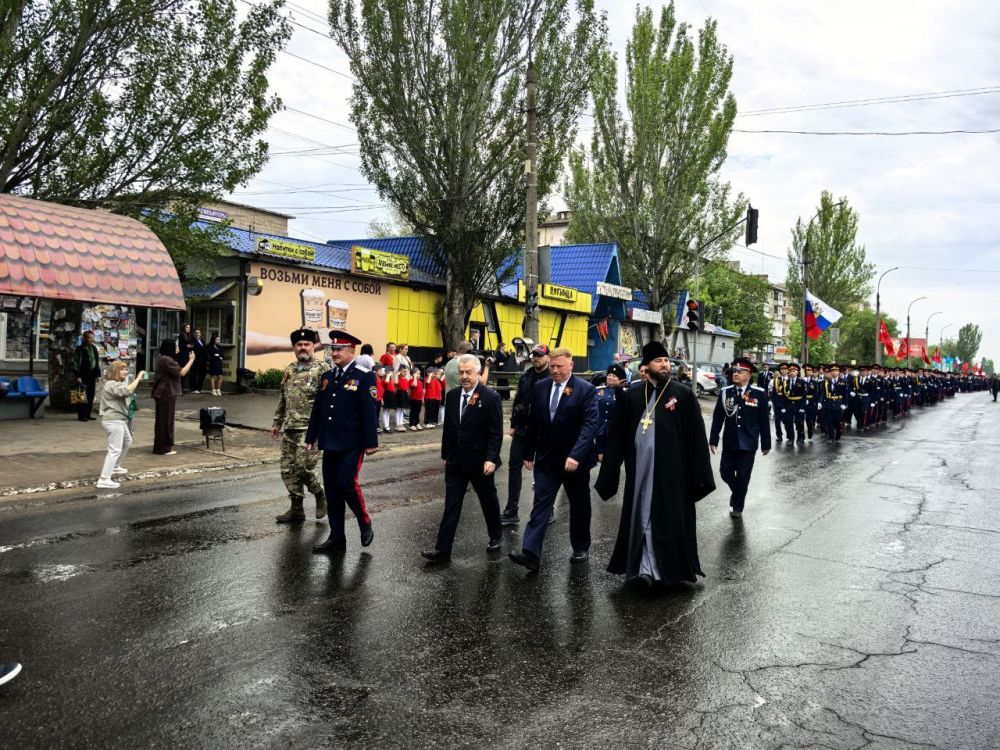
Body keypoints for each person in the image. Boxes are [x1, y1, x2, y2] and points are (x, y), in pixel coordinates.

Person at [595, 341, 715, 588]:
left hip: (672, 475)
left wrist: (699, 475)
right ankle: (644, 569)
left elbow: (696, 438)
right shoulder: (633, 396)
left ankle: (666, 571)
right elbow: (618, 436)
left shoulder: (682, 394)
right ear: (646, 366)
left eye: (667, 361)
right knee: (641, 517)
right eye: (659, 361)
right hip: (639, 472)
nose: (665, 364)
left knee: (668, 520)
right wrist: (609, 469)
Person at [509, 347, 598, 573]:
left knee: (579, 504)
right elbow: (534, 421)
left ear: (571, 366)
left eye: (560, 366)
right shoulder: (540, 387)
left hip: (574, 461)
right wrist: (529, 453)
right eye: (553, 366)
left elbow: (589, 426)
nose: (555, 370)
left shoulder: (585, 390)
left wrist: (576, 455)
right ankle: (530, 552)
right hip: (547, 458)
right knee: (541, 503)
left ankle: (580, 547)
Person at [421, 354, 504, 561]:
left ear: (478, 372)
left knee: (488, 500)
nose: (465, 376)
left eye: (469, 372)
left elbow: (495, 433)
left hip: (480, 461)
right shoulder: (452, 395)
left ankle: (495, 535)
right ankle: (442, 550)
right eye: (461, 373)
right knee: (451, 504)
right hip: (456, 460)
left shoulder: (491, 397)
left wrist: (491, 458)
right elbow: (449, 428)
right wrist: (445, 454)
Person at [306, 331, 378, 553]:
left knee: (346, 484)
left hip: (352, 443)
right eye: (333, 349)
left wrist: (371, 442)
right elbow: (318, 408)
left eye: (339, 349)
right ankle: (337, 538)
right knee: (332, 491)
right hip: (330, 442)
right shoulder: (327, 376)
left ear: (351, 351)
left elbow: (368, 411)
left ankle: (364, 522)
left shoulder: (364, 376)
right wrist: (311, 437)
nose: (334, 353)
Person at [271, 328, 329, 524]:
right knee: (288, 470)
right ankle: (297, 510)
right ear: (294, 347)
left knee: (304, 467)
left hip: (311, 430)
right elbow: (283, 397)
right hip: (290, 428)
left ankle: (320, 494)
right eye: (299, 345)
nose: (303, 348)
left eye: (307, 344)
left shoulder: (323, 369)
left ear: (313, 347)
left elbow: (330, 400)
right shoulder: (289, 369)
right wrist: (277, 422)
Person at [709, 357, 771, 519]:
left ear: (749, 374)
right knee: (725, 473)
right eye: (734, 371)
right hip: (730, 441)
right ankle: (737, 493)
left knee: (743, 477)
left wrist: (766, 443)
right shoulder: (725, 392)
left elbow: (764, 421)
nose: (735, 374)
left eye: (740, 372)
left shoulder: (759, 394)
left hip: (748, 443)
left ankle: (737, 506)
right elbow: (717, 418)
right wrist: (713, 439)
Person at [501, 344, 550, 525]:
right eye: (534, 355)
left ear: (547, 357)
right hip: (523, 429)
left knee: (542, 470)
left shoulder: (552, 377)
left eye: (539, 356)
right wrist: (513, 425)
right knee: (514, 467)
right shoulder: (527, 376)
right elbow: (518, 402)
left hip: (543, 432)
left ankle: (546, 509)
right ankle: (511, 510)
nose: (536, 358)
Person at [96, 361, 145, 489]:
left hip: (119, 419)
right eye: (122, 369)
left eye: (126, 369)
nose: (125, 371)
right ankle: (104, 478)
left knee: (127, 441)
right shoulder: (111, 384)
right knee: (114, 449)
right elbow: (127, 391)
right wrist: (138, 378)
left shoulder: (116, 384)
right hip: (113, 420)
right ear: (115, 372)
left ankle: (116, 466)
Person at [151, 339, 194, 455]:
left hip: (165, 392)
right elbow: (182, 372)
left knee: (164, 420)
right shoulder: (167, 360)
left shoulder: (165, 359)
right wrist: (191, 361)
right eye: (175, 346)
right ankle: (163, 448)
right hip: (166, 392)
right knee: (166, 420)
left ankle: (162, 446)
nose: (177, 348)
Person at [74, 329, 102, 421]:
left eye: (92, 338)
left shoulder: (94, 348)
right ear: (85, 338)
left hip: (92, 375)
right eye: (90, 338)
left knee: (90, 395)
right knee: (81, 395)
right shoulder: (80, 349)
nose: (91, 340)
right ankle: (81, 416)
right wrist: (77, 376)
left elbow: (96, 362)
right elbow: (76, 363)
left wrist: (97, 375)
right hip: (83, 375)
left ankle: (88, 414)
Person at [821, 364, 849, 443]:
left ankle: (838, 434)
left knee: (837, 422)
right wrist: (821, 402)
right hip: (829, 403)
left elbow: (845, 394)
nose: (834, 372)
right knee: (830, 421)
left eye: (836, 371)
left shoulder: (843, 382)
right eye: (832, 371)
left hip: (838, 404)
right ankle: (831, 437)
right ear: (830, 372)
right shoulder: (826, 382)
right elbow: (823, 393)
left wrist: (845, 404)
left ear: (839, 372)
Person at [176, 323, 195, 393]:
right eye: (187, 327)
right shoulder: (182, 335)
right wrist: (187, 346)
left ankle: (182, 388)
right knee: (182, 371)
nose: (188, 329)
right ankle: (180, 388)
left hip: (188, 355)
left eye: (189, 327)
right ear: (184, 328)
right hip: (183, 355)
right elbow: (180, 345)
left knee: (186, 372)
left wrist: (190, 346)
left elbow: (193, 344)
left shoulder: (190, 335)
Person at [190, 328, 207, 393]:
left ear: (200, 334)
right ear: (194, 334)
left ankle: (199, 388)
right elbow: (191, 349)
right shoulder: (192, 341)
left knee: (202, 374)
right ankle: (193, 389)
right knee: (193, 374)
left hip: (202, 360)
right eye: (196, 333)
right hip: (195, 360)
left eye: (198, 333)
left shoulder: (202, 341)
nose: (197, 334)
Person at [395, 365, 411, 430]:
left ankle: (401, 423)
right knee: (398, 409)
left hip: (404, 394)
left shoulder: (405, 379)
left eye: (406, 371)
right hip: (399, 394)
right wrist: (397, 374)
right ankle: (397, 424)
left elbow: (407, 388)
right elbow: (396, 382)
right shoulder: (398, 378)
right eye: (404, 371)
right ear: (400, 371)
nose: (405, 373)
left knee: (402, 409)